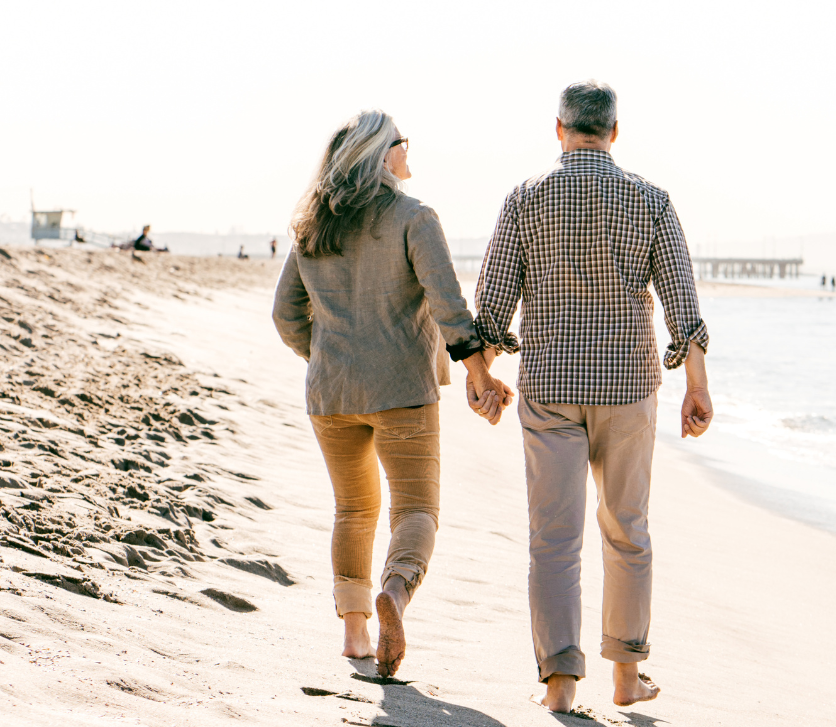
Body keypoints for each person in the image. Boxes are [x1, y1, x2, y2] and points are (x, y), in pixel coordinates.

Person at [473, 80, 711, 713]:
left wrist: (482, 374)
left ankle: (559, 684)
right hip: (628, 389)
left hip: (550, 388)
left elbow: (493, 306)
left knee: (553, 538)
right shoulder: (651, 201)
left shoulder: (526, 198)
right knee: (627, 529)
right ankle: (628, 677)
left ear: (559, 129)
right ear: (614, 131)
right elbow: (683, 304)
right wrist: (697, 385)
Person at [272, 109, 509, 679]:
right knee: (416, 509)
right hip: (402, 388)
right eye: (402, 142)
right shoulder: (414, 217)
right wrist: (479, 374)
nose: (409, 150)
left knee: (353, 508)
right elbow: (451, 310)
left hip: (331, 394)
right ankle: (395, 593)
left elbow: (285, 315)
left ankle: (355, 633)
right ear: (383, 156)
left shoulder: (312, 223)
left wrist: (325, 355)